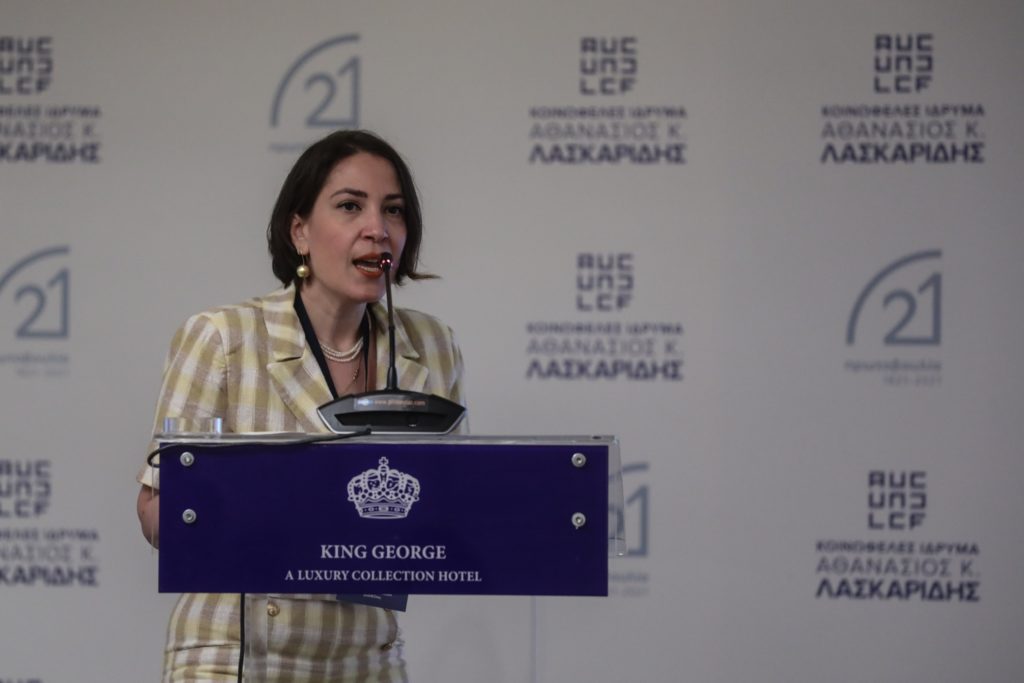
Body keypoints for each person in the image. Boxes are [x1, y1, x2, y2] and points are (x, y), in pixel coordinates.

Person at [136, 130, 466, 682]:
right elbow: (156, 510)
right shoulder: (223, 337)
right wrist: (263, 512)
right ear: (300, 232)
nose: (378, 228)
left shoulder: (431, 346)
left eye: (393, 210)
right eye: (350, 206)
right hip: (235, 660)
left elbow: (451, 505)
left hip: (369, 661)